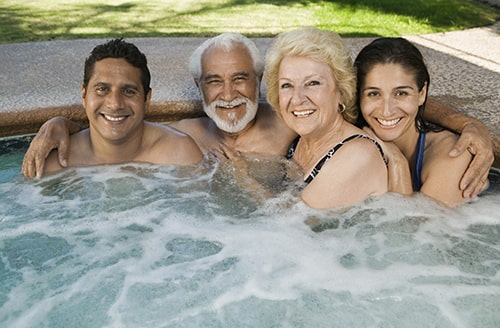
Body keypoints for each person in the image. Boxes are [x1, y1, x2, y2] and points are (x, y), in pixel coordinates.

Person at [22, 33, 493, 199]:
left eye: (240, 79)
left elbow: (387, 97)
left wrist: (473, 126)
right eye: (213, 82)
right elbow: (122, 125)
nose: (228, 95)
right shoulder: (192, 135)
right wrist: (58, 124)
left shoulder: (309, 122)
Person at [265, 27, 388, 209]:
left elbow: (287, 225)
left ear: (340, 91)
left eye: (313, 83)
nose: (297, 98)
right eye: (287, 85)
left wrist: (243, 179)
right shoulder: (300, 140)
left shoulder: (358, 156)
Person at [41, 38, 202, 175]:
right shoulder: (55, 163)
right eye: (102, 89)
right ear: (84, 95)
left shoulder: (180, 154)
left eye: (129, 91)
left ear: (147, 99)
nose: (115, 104)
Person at [354, 37, 485, 207]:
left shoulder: (452, 156)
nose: (387, 111)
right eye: (373, 94)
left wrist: (397, 161)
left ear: (422, 94)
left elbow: (412, 230)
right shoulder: (354, 138)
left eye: (401, 93)